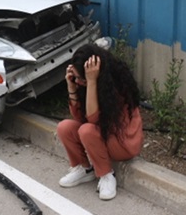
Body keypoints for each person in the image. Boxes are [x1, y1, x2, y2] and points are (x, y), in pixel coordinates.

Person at [56, 43, 144, 200]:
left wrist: (90, 81)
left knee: (87, 130)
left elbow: (93, 120)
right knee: (65, 127)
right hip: (106, 134)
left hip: (124, 143)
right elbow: (79, 118)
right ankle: (84, 169)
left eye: (78, 78)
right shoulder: (85, 84)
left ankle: (106, 175)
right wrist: (71, 87)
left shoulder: (116, 86)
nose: (77, 81)